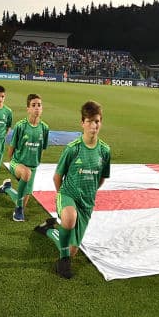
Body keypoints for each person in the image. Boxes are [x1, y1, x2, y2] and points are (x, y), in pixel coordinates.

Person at [35, 100, 111, 279]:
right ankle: (62, 261)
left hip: (87, 203)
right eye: (90, 121)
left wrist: (89, 191)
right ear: (82, 123)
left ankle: (49, 229)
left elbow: (100, 179)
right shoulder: (73, 149)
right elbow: (57, 177)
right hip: (67, 195)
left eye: (97, 121)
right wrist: (62, 197)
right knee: (69, 218)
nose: (94, 125)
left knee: (72, 250)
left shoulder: (105, 151)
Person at [0, 93, 50, 222]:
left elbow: (42, 149)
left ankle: (7, 188)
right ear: (28, 109)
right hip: (18, 163)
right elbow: (11, 148)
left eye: (39, 105)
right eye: (33, 105)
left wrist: (36, 163)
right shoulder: (21, 126)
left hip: (33, 167)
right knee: (26, 174)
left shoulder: (45, 128)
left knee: (21, 199)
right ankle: (18, 210)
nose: (37, 108)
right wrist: (13, 165)